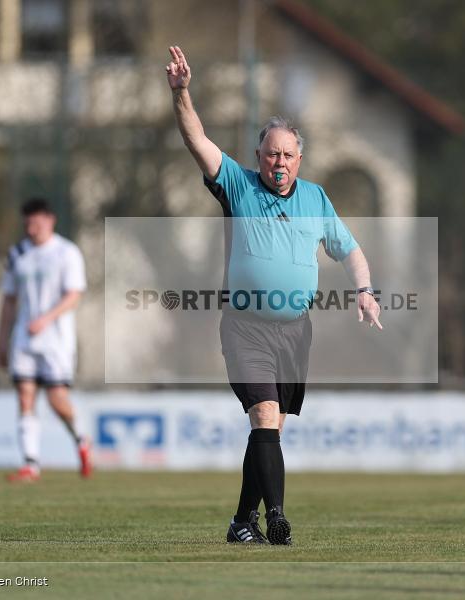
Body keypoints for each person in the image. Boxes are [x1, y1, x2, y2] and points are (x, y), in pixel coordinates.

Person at [165, 45, 382, 544]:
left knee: (269, 431)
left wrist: (365, 292)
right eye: (270, 154)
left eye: (287, 155)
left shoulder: (316, 198)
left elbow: (350, 251)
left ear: (299, 159)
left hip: (295, 332)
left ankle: (243, 522)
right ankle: (277, 516)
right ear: (258, 157)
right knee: (263, 416)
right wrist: (181, 93)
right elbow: (196, 139)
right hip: (246, 327)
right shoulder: (237, 185)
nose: (278, 162)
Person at [0, 198, 91, 483]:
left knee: (56, 399)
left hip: (56, 340)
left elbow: (73, 295)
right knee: (25, 395)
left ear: (50, 220)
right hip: (24, 338)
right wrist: (2, 338)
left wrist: (46, 319)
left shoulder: (66, 252)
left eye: (36, 221)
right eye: (27, 222)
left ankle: (81, 439)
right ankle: (30, 463)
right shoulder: (17, 254)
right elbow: (9, 300)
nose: (31, 227)